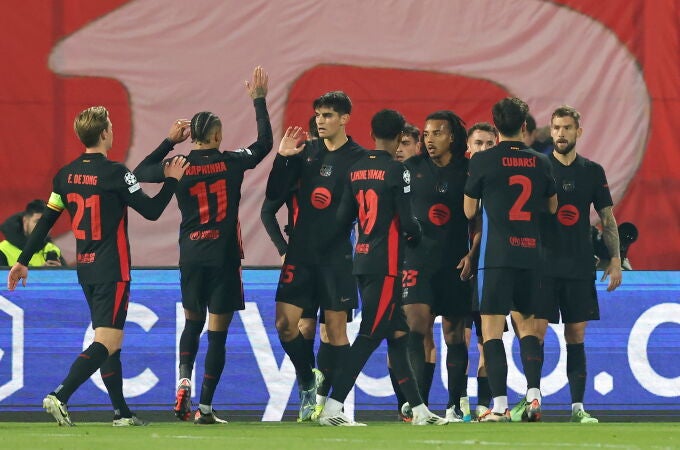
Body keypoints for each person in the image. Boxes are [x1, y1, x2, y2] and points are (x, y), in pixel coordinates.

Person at [6, 105, 189, 426]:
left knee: (109, 339)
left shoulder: (65, 176)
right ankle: (60, 394)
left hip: (85, 268)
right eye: (112, 126)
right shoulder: (116, 173)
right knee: (108, 340)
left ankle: (121, 412)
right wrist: (172, 180)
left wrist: (22, 260)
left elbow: (47, 220)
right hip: (112, 269)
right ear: (105, 133)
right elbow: (152, 210)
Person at [134, 66, 273, 424]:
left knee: (192, 323)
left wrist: (169, 142)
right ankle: (206, 408)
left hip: (191, 255)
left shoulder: (178, 164)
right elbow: (264, 145)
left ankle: (183, 381)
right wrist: (258, 101)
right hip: (224, 257)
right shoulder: (230, 162)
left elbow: (140, 170)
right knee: (218, 333)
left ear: (192, 136)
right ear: (215, 134)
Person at [318, 109, 446, 426]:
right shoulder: (397, 171)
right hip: (387, 263)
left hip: (362, 258)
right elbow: (407, 222)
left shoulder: (356, 169)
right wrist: (419, 235)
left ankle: (418, 411)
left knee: (399, 336)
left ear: (372, 132)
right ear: (399, 135)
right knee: (369, 335)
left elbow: (343, 218)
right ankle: (333, 407)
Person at [265, 91, 366, 422]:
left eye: (328, 115)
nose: (321, 121)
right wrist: (283, 158)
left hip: (337, 257)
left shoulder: (358, 158)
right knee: (284, 325)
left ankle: (335, 406)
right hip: (301, 254)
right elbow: (274, 196)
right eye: (319, 115)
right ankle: (307, 378)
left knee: (336, 331)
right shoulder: (305, 153)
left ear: (344, 119)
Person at [463, 97, 557, 422]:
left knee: (492, 329)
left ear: (495, 125)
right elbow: (553, 207)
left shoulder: (483, 161)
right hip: (530, 252)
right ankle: (533, 394)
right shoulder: (542, 162)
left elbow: (469, 210)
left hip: (496, 255)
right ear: (525, 125)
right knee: (528, 325)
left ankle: (500, 405)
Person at [527, 105, 621, 423]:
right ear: (550, 131)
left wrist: (616, 260)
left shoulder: (592, 171)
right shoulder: (539, 168)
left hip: (579, 264)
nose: (561, 133)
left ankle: (577, 408)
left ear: (578, 132)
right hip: (543, 263)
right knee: (536, 332)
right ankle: (533, 400)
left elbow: (608, 219)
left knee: (576, 336)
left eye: (567, 127)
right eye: (556, 128)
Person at [400, 110, 480, 423]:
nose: (429, 140)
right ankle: (418, 405)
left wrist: (472, 254)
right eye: (427, 133)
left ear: (452, 137)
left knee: (454, 336)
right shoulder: (411, 169)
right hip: (417, 260)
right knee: (417, 327)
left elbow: (480, 219)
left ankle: (454, 405)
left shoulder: (469, 170)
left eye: (437, 133)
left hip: (456, 261)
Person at [461, 121, 498, 420]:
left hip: (488, 268)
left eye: (489, 144)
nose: (483, 149)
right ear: (468, 148)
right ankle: (458, 402)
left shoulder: (502, 181)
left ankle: (484, 404)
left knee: (487, 339)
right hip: (454, 269)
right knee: (457, 338)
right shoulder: (457, 177)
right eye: (479, 144)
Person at [0, 199, 66, 267]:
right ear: (25, 221)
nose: (44, 228)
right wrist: (42, 274)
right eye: (38, 222)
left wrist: (60, 273)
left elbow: (70, 277)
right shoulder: (3, 250)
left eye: (48, 223)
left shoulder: (53, 249)